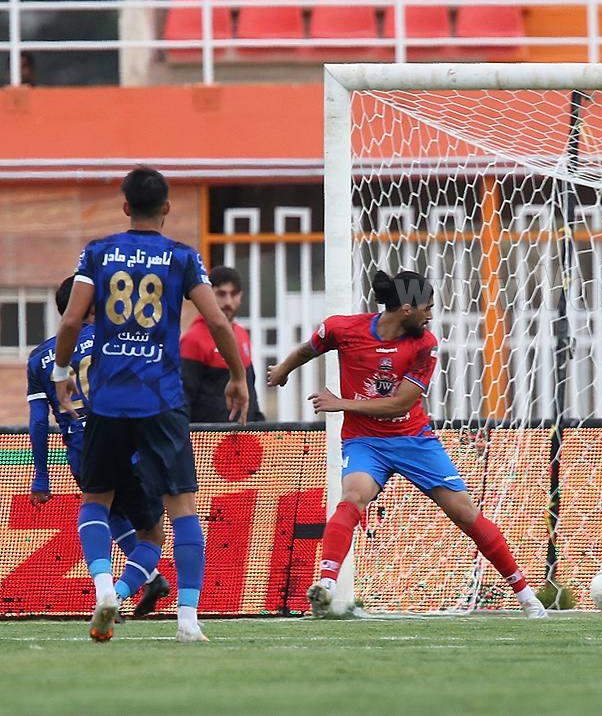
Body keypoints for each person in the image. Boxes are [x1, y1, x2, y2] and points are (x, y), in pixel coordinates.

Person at [265, 269, 548, 619]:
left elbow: (399, 404)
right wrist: (283, 369)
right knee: (352, 498)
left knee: (465, 513)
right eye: (427, 308)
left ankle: (526, 596)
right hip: (365, 441)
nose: (430, 316)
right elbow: (310, 348)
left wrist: (342, 404)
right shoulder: (343, 329)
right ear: (406, 309)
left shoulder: (425, 345)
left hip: (413, 439)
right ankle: (326, 585)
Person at [54, 166, 249, 643]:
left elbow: (73, 320)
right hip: (161, 398)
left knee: (96, 500)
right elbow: (218, 322)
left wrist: (61, 373)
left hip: (107, 400)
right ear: (167, 208)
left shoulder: (97, 252)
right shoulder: (182, 257)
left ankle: (105, 588)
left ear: (125, 206)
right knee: (181, 507)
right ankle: (188, 619)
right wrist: (238, 376)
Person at [29, 276, 170, 618]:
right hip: (128, 443)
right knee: (153, 535)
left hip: (83, 450)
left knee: (103, 507)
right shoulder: (117, 340)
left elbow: (38, 421)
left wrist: (42, 476)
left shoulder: (40, 358)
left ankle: (124, 585)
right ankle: (119, 594)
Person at [182, 265, 264, 422]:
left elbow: (250, 391)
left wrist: (259, 424)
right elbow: (184, 398)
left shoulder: (242, 335)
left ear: (241, 296)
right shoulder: (193, 339)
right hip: (208, 435)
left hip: (243, 433)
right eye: (221, 294)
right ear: (209, 295)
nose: (228, 302)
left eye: (234, 294)